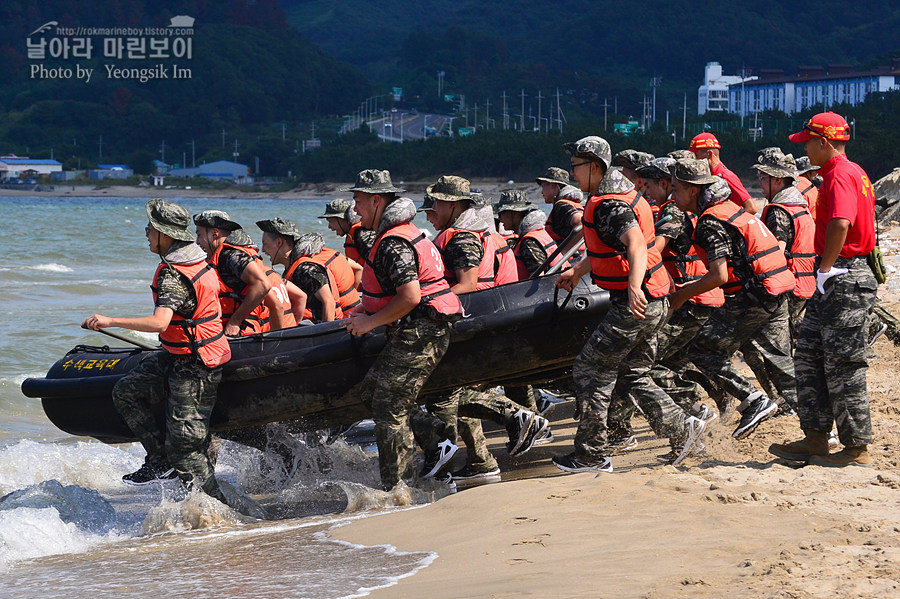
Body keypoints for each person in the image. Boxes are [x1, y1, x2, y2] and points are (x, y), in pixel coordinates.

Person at [551, 136, 708, 473]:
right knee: (633, 374)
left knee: (591, 369)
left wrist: (634, 287)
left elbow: (635, 243)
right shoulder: (621, 195)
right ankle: (684, 430)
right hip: (655, 300)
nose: (572, 173)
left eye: (576, 166)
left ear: (595, 166)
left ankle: (591, 454)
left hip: (636, 302)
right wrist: (578, 271)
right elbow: (611, 249)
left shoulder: (609, 204)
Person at [82, 199, 231, 503]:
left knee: (186, 451)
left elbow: (160, 322)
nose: (146, 232)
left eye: (150, 227)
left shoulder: (173, 274)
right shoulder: (195, 260)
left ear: (166, 234)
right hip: (179, 355)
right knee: (126, 391)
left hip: (196, 363)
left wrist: (109, 320)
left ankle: (224, 509)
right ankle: (160, 461)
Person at [419, 176, 549, 481]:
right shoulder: (465, 233)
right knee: (451, 388)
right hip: (476, 318)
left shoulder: (461, 238)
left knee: (444, 390)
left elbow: (468, 283)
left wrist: (424, 303)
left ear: (452, 204)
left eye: (435, 202)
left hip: (468, 321)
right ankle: (480, 460)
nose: (430, 209)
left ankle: (513, 420)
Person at [344, 169, 464, 490]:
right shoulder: (400, 234)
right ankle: (437, 440)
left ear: (376, 200)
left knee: (388, 407)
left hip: (422, 330)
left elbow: (410, 296)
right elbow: (397, 290)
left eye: (358, 201)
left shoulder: (393, 241)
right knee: (371, 393)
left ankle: (397, 489)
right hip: (418, 329)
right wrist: (367, 307)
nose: (355, 209)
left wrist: (369, 322)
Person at [770, 112, 878, 467]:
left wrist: (827, 268)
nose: (805, 151)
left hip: (842, 276)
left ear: (824, 142)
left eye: (807, 143)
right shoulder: (849, 172)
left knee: (844, 365)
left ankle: (855, 448)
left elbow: (841, 224)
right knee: (809, 356)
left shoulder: (840, 175)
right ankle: (815, 437)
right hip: (835, 275)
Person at [669, 159, 797, 437]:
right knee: (780, 361)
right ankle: (817, 425)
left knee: (701, 348)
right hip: (777, 287)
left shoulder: (709, 222)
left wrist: (680, 296)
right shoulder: (731, 210)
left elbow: (718, 276)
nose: (672, 196)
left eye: (675, 189)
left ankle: (754, 400)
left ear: (693, 190)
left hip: (755, 294)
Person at [607, 158, 725, 457]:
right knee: (654, 365)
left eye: (650, 185)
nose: (645, 190)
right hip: (684, 297)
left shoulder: (672, 210)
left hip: (685, 299)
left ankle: (693, 414)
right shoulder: (674, 209)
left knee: (638, 366)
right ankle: (690, 422)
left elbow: (657, 247)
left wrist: (630, 259)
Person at [193, 211, 278, 335]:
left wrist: (234, 322)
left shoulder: (229, 255)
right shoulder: (230, 255)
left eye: (199, 235)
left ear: (215, 233)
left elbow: (262, 284)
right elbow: (276, 304)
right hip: (247, 332)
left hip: (239, 334)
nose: (197, 242)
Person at [496, 190, 565, 278]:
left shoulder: (528, 242)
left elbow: (538, 278)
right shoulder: (537, 232)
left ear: (515, 214)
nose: (499, 218)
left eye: (502, 213)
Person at [256, 217, 311, 322]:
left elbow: (328, 302)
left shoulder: (305, 269)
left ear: (279, 243)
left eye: (265, 244)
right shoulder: (290, 268)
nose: (262, 250)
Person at [689, 132, 758, 215]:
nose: (694, 161)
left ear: (709, 154)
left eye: (696, 156)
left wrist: (727, 223)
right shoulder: (707, 176)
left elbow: (751, 208)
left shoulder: (726, 176)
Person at [319, 198, 377, 266]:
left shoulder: (361, 233)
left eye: (330, 221)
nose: (329, 226)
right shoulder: (354, 233)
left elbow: (376, 262)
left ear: (341, 219)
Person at [795, 156, 821, 220]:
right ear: (810, 172)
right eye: (815, 171)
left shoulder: (789, 183)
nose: (817, 174)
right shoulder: (812, 189)